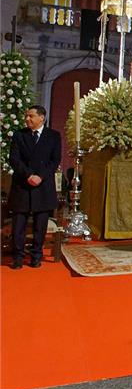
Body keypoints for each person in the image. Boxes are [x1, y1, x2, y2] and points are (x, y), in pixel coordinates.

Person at [8, 105, 61, 269]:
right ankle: (17, 257)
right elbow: (14, 159)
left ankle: (36, 255)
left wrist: (40, 176)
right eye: (26, 116)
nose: (27, 119)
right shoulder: (19, 135)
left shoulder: (53, 136)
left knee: (40, 225)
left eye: (31, 116)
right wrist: (29, 175)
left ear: (41, 118)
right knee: (18, 225)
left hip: (43, 186)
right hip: (22, 185)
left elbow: (55, 160)